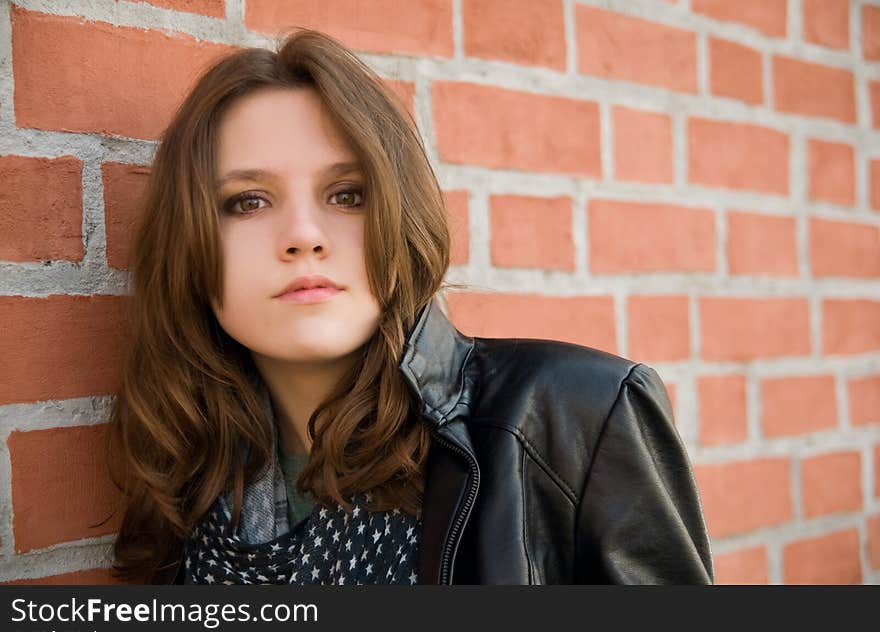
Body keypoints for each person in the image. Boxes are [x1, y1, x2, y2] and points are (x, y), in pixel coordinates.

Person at [106, 28, 713, 585]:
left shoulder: (575, 418)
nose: (303, 235)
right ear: (188, 246)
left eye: (347, 195)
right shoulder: (186, 479)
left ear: (402, 221)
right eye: (247, 202)